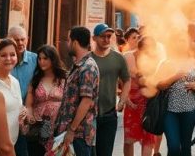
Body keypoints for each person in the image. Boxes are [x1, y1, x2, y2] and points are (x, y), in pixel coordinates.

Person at [53, 26, 100, 156]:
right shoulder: (78, 65)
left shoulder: (87, 67)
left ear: (75, 42)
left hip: (79, 134)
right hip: (70, 133)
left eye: (69, 41)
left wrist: (72, 130)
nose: (67, 44)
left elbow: (86, 101)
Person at [91, 22, 132, 156]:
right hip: (89, 115)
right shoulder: (88, 59)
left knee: (105, 152)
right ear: (94, 38)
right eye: (103, 36)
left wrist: (122, 101)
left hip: (109, 113)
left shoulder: (118, 58)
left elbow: (127, 80)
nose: (107, 39)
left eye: (109, 36)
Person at [23, 45, 66, 156]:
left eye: (45, 58)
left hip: (59, 126)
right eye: (39, 58)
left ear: (53, 59)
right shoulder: (36, 80)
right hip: (40, 127)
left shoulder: (64, 79)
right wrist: (31, 117)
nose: (41, 61)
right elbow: (29, 105)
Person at [158, 52, 195, 156]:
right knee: (173, 146)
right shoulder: (166, 62)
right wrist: (175, 77)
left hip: (190, 110)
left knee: (185, 146)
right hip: (170, 111)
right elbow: (159, 85)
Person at [123, 35, 159, 156]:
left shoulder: (155, 61)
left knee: (148, 137)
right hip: (131, 102)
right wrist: (125, 98)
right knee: (128, 139)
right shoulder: (128, 57)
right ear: (139, 48)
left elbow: (156, 83)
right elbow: (120, 80)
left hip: (148, 104)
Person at [7, 26, 37, 156]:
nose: (20, 43)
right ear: (9, 40)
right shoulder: (3, 59)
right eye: (16, 40)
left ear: (27, 40)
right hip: (6, 115)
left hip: (28, 117)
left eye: (22, 39)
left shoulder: (36, 60)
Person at [0, 39, 23, 147]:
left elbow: (17, 106)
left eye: (12, 55)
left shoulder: (15, 82)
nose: (9, 59)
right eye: (3, 55)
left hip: (12, 144)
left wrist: (24, 111)